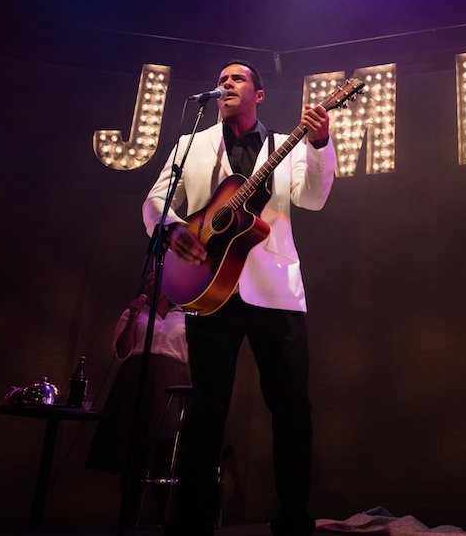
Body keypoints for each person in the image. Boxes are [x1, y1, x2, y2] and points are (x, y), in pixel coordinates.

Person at [143, 61, 334, 536]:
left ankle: (293, 515)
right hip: (208, 287)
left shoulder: (283, 147)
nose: (225, 84)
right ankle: (192, 518)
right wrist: (173, 233)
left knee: (291, 408)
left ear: (259, 95)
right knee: (206, 408)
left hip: (276, 291)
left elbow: (313, 198)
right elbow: (155, 200)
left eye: (237, 79)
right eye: (222, 79)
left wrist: (319, 143)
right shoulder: (192, 144)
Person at [85, 271, 190, 489]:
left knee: (165, 446)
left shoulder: (184, 316)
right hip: (136, 377)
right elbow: (122, 352)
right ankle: (129, 512)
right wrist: (133, 315)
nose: (151, 284)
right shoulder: (134, 313)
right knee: (131, 444)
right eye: (148, 281)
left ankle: (163, 516)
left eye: (157, 279)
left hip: (172, 379)